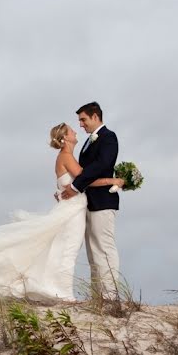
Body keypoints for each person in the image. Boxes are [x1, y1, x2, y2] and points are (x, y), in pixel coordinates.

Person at [0, 121, 123, 300]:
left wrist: (62, 190)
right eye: (72, 131)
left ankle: (57, 289)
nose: (76, 132)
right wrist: (113, 181)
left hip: (75, 208)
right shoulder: (66, 157)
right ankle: (63, 293)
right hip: (73, 211)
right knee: (69, 250)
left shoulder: (67, 156)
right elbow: (85, 179)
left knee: (64, 248)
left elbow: (75, 181)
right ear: (65, 138)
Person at [60, 101, 120, 299]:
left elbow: (101, 165)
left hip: (103, 202)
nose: (81, 125)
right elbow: (83, 171)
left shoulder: (108, 137)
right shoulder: (88, 141)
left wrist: (76, 187)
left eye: (83, 119)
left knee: (104, 249)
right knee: (93, 253)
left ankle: (110, 295)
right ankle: (98, 297)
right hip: (88, 203)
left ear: (95, 117)